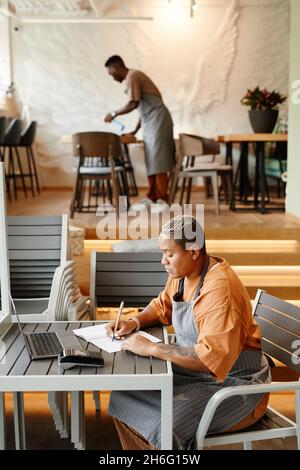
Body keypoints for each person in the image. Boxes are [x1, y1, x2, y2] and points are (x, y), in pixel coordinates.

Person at [106, 215, 271, 450]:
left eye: (169, 254)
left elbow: (208, 358)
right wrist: (133, 322)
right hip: (201, 375)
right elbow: (163, 305)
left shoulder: (220, 291)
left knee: (167, 424)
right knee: (124, 395)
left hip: (236, 385)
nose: (163, 261)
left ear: (193, 252)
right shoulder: (184, 274)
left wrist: (153, 348)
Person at [104, 55, 175, 207]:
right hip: (150, 120)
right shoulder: (132, 77)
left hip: (158, 119)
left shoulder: (133, 76)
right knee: (151, 159)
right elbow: (142, 109)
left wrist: (114, 113)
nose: (111, 77)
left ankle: (163, 198)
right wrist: (135, 131)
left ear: (116, 68)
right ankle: (152, 197)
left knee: (159, 159)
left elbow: (133, 103)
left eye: (111, 73)